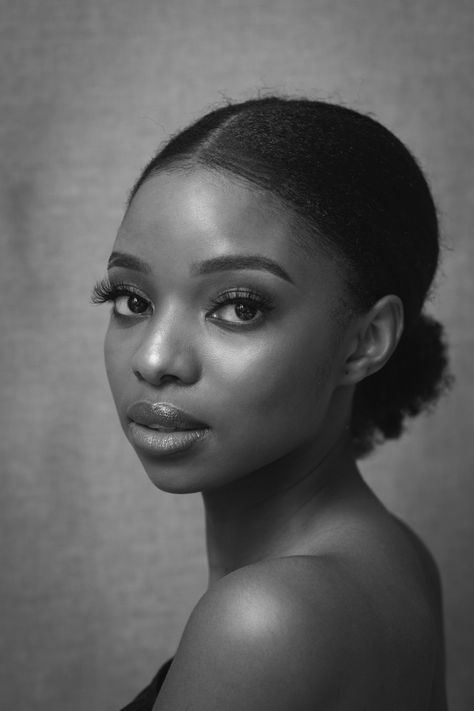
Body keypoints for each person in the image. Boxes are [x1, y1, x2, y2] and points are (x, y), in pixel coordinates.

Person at [92, 96, 451, 710]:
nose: (153, 360)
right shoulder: (394, 554)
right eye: (132, 298)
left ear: (364, 342)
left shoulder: (263, 620)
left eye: (239, 307)